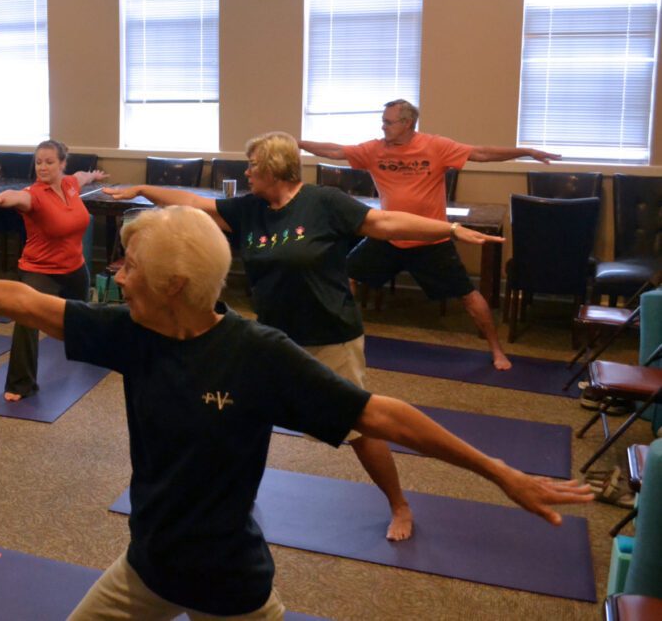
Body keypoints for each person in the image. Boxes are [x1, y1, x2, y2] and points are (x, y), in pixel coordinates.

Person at [0, 206, 591, 620]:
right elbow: (24, 300)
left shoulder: (257, 354)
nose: (117, 274)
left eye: (129, 265)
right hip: (144, 567)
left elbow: (383, 414)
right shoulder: (132, 331)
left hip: (232, 586)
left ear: (173, 284)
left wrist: (500, 473)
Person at [103, 132, 504, 542]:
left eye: (253, 164)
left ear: (275, 166)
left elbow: (383, 223)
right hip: (270, 340)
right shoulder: (249, 210)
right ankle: (234, 496)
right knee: (241, 417)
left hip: (331, 335)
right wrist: (139, 189)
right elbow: (192, 204)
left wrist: (450, 229)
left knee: (359, 430)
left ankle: (399, 504)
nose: (247, 171)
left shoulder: (323, 202)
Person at [298, 99, 561, 372]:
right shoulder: (374, 150)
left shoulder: (435, 146)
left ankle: (496, 349)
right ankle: (342, 335)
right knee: (345, 275)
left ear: (407, 123)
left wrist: (526, 151)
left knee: (468, 295)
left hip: (430, 240)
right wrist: (299, 144)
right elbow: (336, 150)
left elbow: (481, 153)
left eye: (388, 121)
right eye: (383, 121)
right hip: (389, 236)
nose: (383, 126)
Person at [0, 140, 108, 401]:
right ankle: (19, 384)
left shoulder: (70, 184)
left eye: (49, 162)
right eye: (38, 162)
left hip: (74, 267)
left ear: (62, 164)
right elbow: (17, 196)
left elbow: (81, 176)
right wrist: (0, 199)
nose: (43, 167)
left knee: (84, 314)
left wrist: (94, 175)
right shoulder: (34, 195)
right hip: (40, 270)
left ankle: (94, 354)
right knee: (27, 320)